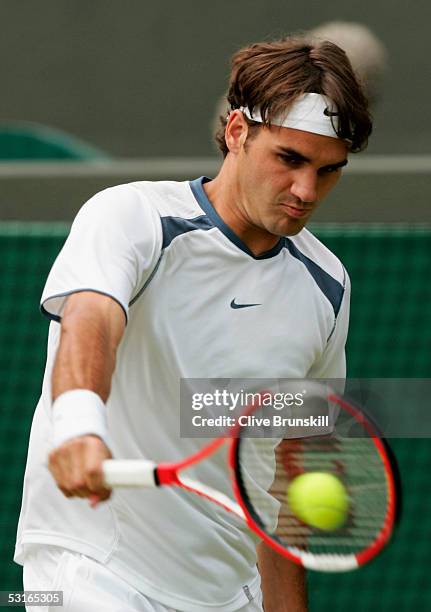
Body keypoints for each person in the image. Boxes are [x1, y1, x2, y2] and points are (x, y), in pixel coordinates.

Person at [15, 36, 372, 612]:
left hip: (228, 592)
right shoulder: (132, 216)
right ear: (237, 132)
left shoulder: (328, 285)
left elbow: (284, 465)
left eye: (329, 171)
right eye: (289, 159)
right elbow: (91, 320)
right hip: (93, 568)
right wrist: (81, 425)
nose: (307, 191)